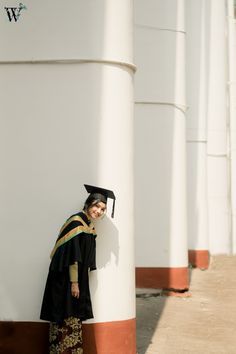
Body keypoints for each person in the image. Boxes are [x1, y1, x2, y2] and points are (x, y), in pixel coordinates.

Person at [40, 184, 116, 354]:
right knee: (64, 315)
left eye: (103, 209)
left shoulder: (88, 226)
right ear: (89, 203)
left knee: (73, 315)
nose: (99, 211)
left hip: (75, 279)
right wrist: (74, 282)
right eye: (97, 205)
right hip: (65, 278)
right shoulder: (75, 223)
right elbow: (73, 257)